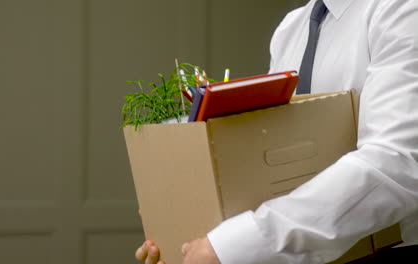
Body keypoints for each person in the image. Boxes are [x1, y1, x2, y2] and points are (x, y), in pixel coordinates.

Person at [135, 0, 418, 263]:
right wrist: (186, 225)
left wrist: (230, 248)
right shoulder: (290, 29)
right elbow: (274, 163)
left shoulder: (401, 11)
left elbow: (395, 163)